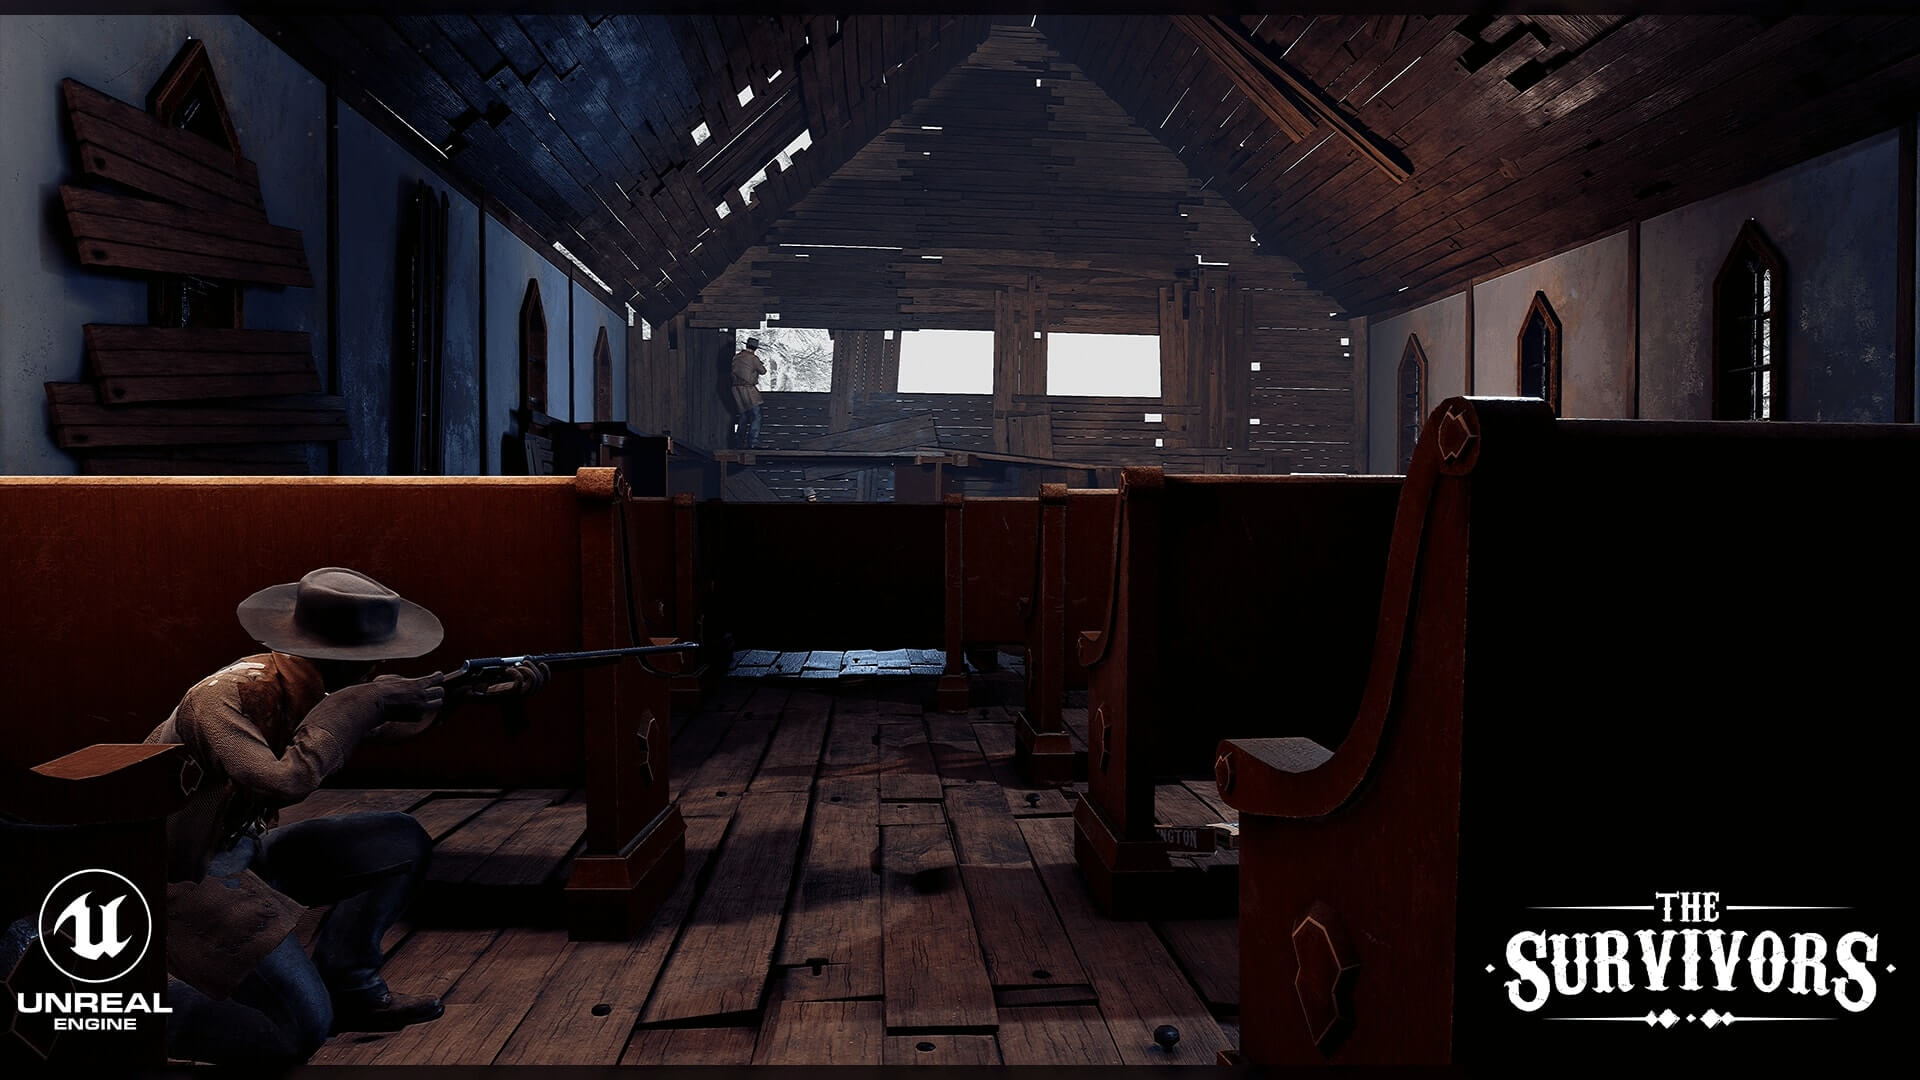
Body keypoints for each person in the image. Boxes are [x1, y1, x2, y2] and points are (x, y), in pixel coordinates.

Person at [145, 567, 548, 1065]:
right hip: (179, 877)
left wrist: (462, 694)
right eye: (372, 659)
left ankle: (351, 986)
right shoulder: (226, 696)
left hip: (243, 855)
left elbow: (377, 728)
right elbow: (285, 780)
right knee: (301, 1027)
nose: (379, 663)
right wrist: (369, 699)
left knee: (399, 841)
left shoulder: (310, 685)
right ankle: (141, 1020)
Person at [730, 336, 768, 448]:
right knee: (756, 416)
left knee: (743, 416)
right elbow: (763, 371)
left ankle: (739, 442)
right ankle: (753, 443)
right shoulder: (753, 358)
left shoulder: (736, 357)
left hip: (736, 389)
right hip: (748, 389)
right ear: (755, 348)